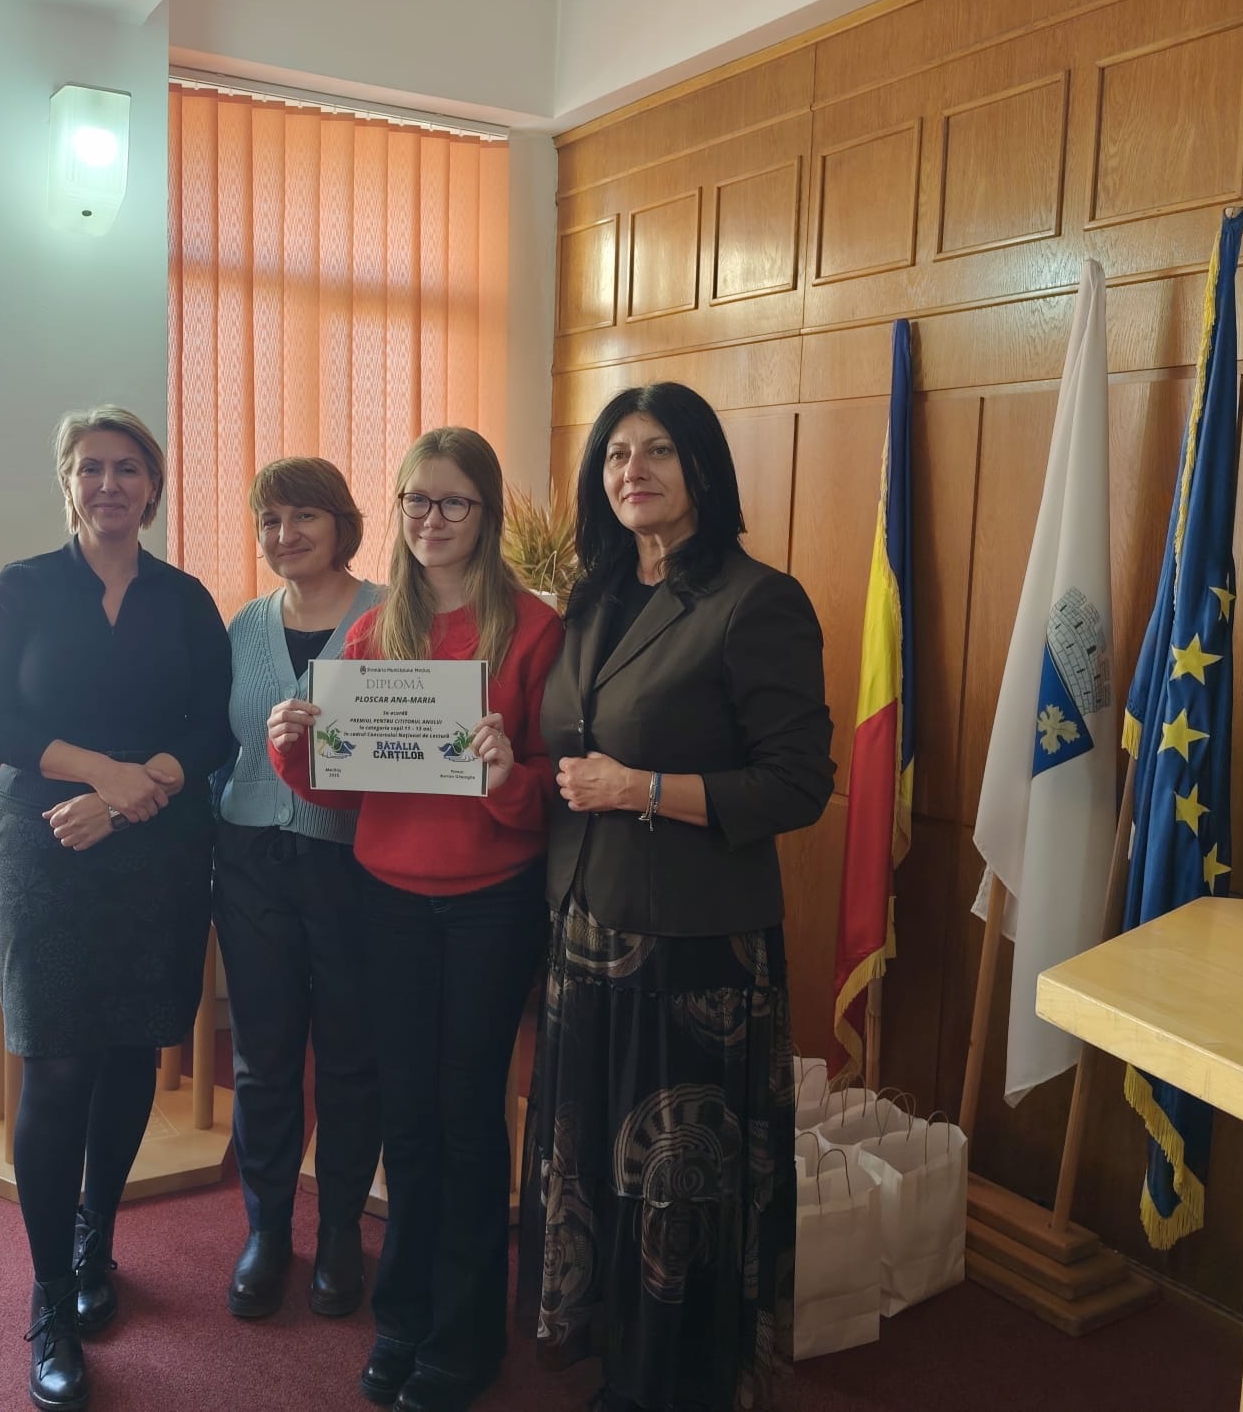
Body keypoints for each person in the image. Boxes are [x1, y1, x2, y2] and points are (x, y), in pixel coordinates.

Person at [525, 381, 834, 1412]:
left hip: (694, 954)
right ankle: (622, 1357)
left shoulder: (757, 600)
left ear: (703, 467)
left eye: (658, 450)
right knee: (598, 1166)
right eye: (617, 454)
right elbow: (571, 750)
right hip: (584, 931)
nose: (634, 471)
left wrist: (644, 790)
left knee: (677, 1184)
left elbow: (797, 785)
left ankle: (678, 1382)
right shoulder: (594, 597)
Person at [269, 427, 563, 1412]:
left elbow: (551, 792)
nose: (432, 520)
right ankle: (403, 1315)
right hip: (387, 900)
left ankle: (466, 1333)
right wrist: (294, 750)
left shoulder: (533, 630)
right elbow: (348, 792)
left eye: (453, 502)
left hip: (491, 904)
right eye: (416, 501)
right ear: (396, 512)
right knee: (406, 1112)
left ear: (486, 513)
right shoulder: (372, 632)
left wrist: (505, 776)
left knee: (468, 1117)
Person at [0, 405, 231, 1412]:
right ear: (68, 484)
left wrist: (135, 791)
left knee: (128, 1052)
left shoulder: (185, 598)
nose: (109, 484)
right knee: (59, 1061)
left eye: (127, 468)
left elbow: (214, 727)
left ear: (152, 487)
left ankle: (96, 1244)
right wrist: (103, 775)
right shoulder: (22, 588)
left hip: (158, 845)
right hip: (46, 841)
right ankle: (49, 1298)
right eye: (91, 468)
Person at [213, 457, 383, 1320]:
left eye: (304, 516)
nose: (286, 535)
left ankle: (342, 1229)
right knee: (264, 1057)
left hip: (354, 863)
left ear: (341, 522)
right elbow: (220, 746)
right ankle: (268, 1230)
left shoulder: (390, 614)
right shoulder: (243, 625)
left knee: (351, 1057)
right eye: (270, 520)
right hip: (250, 861)